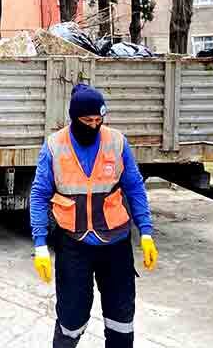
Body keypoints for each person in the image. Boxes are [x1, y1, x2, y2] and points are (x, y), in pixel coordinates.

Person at [30, 84, 158, 348]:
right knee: (71, 319)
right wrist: (40, 244)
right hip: (73, 244)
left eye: (99, 120)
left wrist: (146, 232)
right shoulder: (55, 146)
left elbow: (134, 186)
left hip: (116, 244)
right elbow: (39, 195)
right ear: (74, 118)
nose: (93, 126)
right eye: (87, 121)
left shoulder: (116, 142)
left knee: (121, 319)